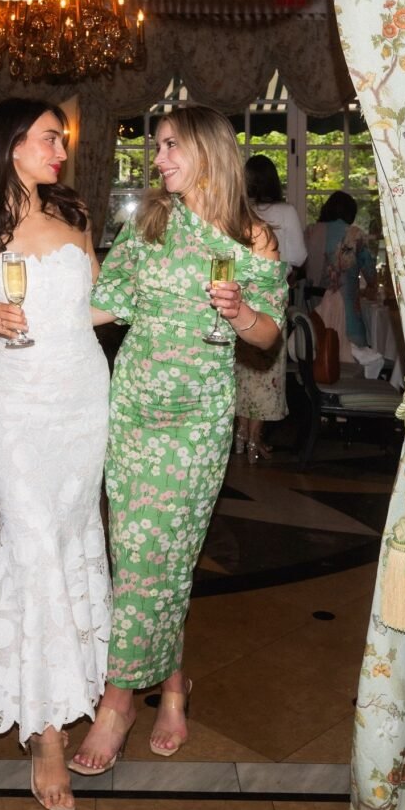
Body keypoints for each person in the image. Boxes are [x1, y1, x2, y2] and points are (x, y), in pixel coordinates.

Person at [69, 105, 287, 775]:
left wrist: (241, 312)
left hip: (196, 415)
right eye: (157, 146)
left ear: (207, 151)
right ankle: (171, 686)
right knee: (145, 555)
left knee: (159, 554)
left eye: (169, 146)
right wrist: (37, 313)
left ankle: (117, 703)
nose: (157, 158)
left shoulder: (253, 236)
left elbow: (268, 335)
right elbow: (108, 302)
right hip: (134, 402)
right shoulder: (151, 222)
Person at [0, 98, 112, 810]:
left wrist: (156, 296)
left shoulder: (75, 216)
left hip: (83, 398)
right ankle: (44, 735)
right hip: (14, 405)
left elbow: (93, 306)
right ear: (12, 145)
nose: (60, 151)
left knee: (71, 541)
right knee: (33, 544)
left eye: (61, 140)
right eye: (49, 138)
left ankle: (77, 688)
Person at [233, 154, 307, 462]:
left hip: (237, 298)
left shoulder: (236, 211)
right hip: (270, 297)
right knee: (267, 373)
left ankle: (240, 436)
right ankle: (254, 440)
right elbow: (299, 256)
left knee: (242, 371)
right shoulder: (285, 211)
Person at [304, 190, 376, 359]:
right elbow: (371, 275)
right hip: (349, 322)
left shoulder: (310, 232)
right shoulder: (355, 235)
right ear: (351, 214)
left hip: (315, 316)